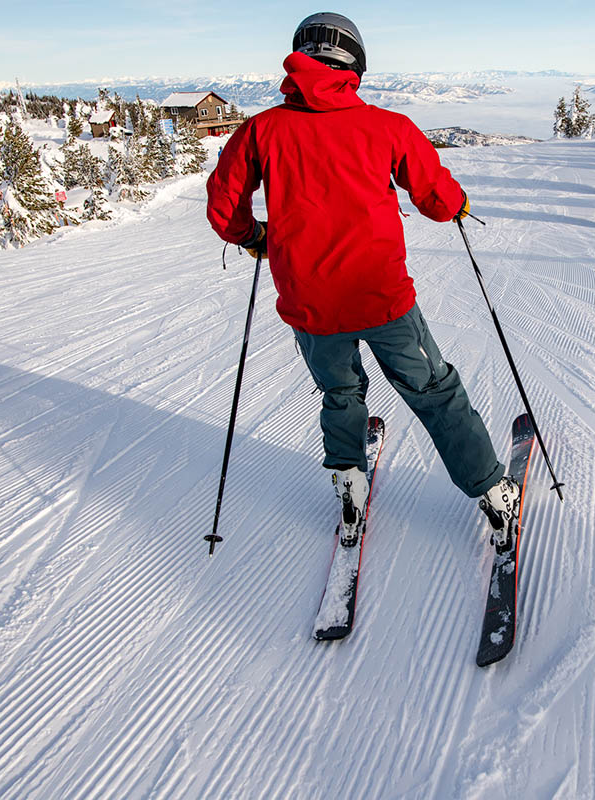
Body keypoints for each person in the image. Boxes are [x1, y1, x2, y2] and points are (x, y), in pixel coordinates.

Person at [205, 12, 520, 548]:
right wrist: (459, 203)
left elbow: (223, 206)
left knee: (340, 390)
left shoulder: (262, 130)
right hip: (383, 300)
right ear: (355, 63)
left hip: (311, 304)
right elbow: (437, 198)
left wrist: (255, 236)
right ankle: (492, 494)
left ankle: (349, 484)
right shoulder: (387, 127)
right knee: (434, 391)